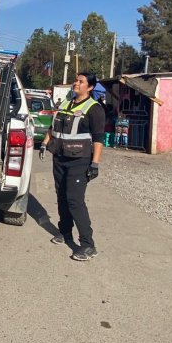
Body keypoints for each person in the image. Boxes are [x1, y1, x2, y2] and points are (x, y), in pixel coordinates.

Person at [40, 72, 106, 261]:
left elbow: (98, 138)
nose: (76, 83)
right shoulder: (66, 104)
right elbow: (54, 127)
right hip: (60, 158)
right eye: (76, 80)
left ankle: (88, 245)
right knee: (61, 197)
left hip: (80, 160)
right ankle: (65, 232)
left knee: (74, 200)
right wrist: (45, 144)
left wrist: (95, 163)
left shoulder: (94, 109)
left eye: (80, 81)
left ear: (90, 87)